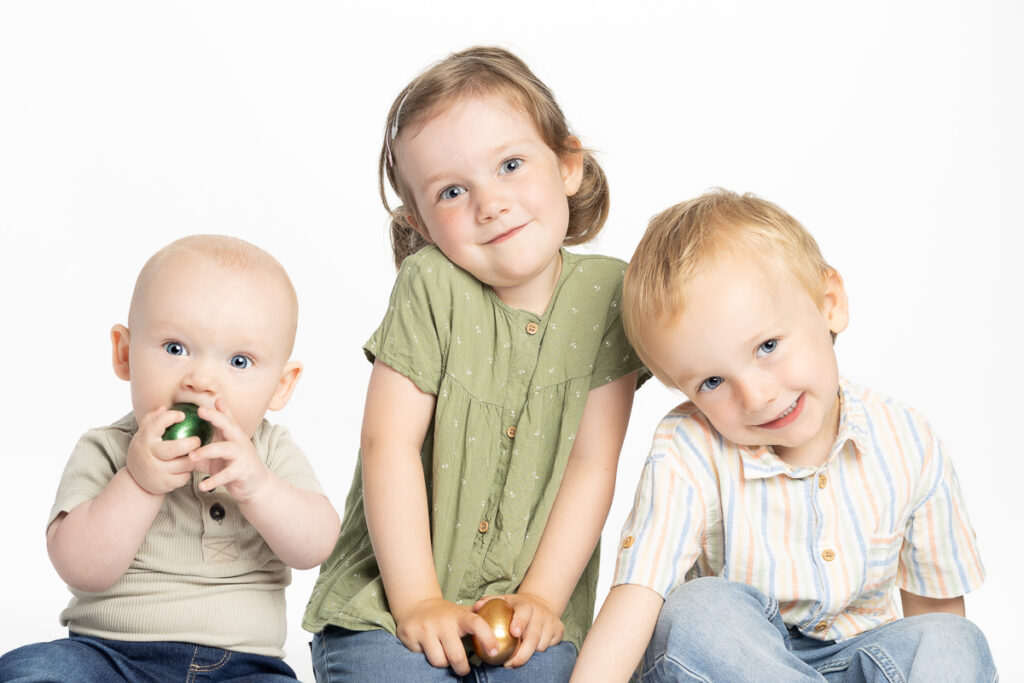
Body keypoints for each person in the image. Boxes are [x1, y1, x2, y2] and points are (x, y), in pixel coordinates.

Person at [302, 46, 646, 681]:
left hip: (528, 608)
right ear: (423, 224)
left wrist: (543, 595)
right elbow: (389, 446)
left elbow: (593, 462)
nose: (490, 204)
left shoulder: (607, 296)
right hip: (391, 601)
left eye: (511, 165)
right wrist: (418, 601)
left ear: (568, 164)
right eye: (453, 191)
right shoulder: (430, 284)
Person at [571, 190, 997, 682]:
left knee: (953, 638)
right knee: (697, 611)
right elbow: (637, 594)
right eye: (712, 382)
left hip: (862, 659)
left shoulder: (907, 442)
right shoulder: (688, 447)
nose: (755, 396)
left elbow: (934, 616)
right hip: (740, 666)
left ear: (829, 304)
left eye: (767, 346)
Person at [0, 235, 341, 682]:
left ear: (281, 385)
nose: (201, 380)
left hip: (243, 667)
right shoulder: (106, 448)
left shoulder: (270, 454)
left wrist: (259, 488)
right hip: (108, 657)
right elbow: (80, 568)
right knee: (31, 670)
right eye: (175, 348)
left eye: (239, 361)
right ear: (125, 354)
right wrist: (137, 483)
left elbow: (316, 546)